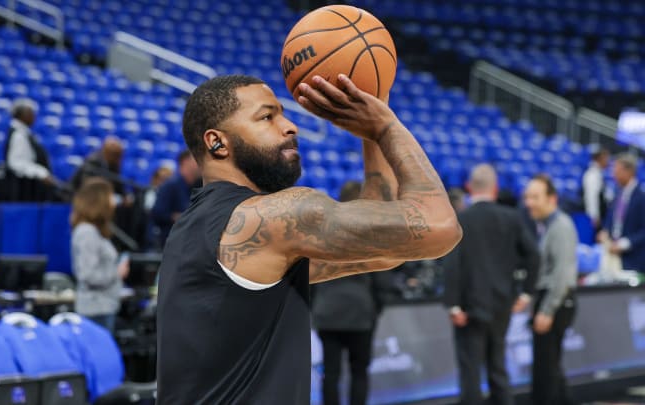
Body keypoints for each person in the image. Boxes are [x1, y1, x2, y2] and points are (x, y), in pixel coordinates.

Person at [156, 74, 461, 404]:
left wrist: (371, 132)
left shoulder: (195, 227)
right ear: (217, 142)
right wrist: (385, 127)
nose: (290, 126)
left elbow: (386, 250)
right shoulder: (272, 217)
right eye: (267, 116)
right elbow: (440, 227)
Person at [442, 164, 540, 405]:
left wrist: (453, 305)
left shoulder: (460, 220)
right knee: (498, 368)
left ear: (468, 188)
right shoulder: (512, 218)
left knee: (470, 373)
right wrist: (526, 293)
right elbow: (534, 255)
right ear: (495, 189)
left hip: (469, 308)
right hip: (501, 305)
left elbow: (451, 264)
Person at [312, 180, 389, 405]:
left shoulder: (322, 232)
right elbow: (382, 279)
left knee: (331, 373)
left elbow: (311, 276)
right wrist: (376, 309)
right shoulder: (370, 233)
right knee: (359, 372)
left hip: (328, 312)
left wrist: (315, 306)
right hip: (360, 313)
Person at [523, 174, 578, 405]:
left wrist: (547, 309)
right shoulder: (547, 226)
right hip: (552, 299)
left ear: (552, 199)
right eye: (527, 197)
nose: (529, 203)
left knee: (546, 370)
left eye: (535, 197)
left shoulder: (561, 226)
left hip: (556, 301)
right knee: (551, 367)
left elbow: (562, 274)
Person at [70, 177, 129, 333]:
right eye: (110, 196)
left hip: (104, 307)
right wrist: (117, 272)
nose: (114, 202)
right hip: (95, 310)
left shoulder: (95, 231)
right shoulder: (86, 233)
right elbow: (88, 275)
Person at [601, 153, 645, 273]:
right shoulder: (618, 194)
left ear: (629, 171)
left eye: (617, 169)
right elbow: (612, 219)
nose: (614, 174)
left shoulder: (641, 198)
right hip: (614, 256)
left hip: (633, 259)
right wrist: (605, 231)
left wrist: (624, 244)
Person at [6, 98, 56, 199]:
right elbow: (16, 163)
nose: (34, 116)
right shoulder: (18, 134)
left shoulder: (24, 132)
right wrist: (41, 174)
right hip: (25, 189)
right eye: (31, 113)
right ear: (21, 115)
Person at [150, 150, 200, 245]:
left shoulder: (199, 185)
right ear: (185, 161)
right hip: (171, 241)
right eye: (195, 159)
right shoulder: (170, 186)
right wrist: (178, 217)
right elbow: (157, 213)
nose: (200, 162)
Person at [143, 165, 174, 250]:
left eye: (168, 180)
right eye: (162, 179)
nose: (164, 183)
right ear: (155, 179)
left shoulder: (173, 197)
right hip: (152, 237)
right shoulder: (150, 194)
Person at [582, 148, 610, 229]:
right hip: (594, 218)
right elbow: (591, 196)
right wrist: (594, 216)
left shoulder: (599, 173)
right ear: (600, 159)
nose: (607, 161)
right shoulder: (592, 175)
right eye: (606, 158)